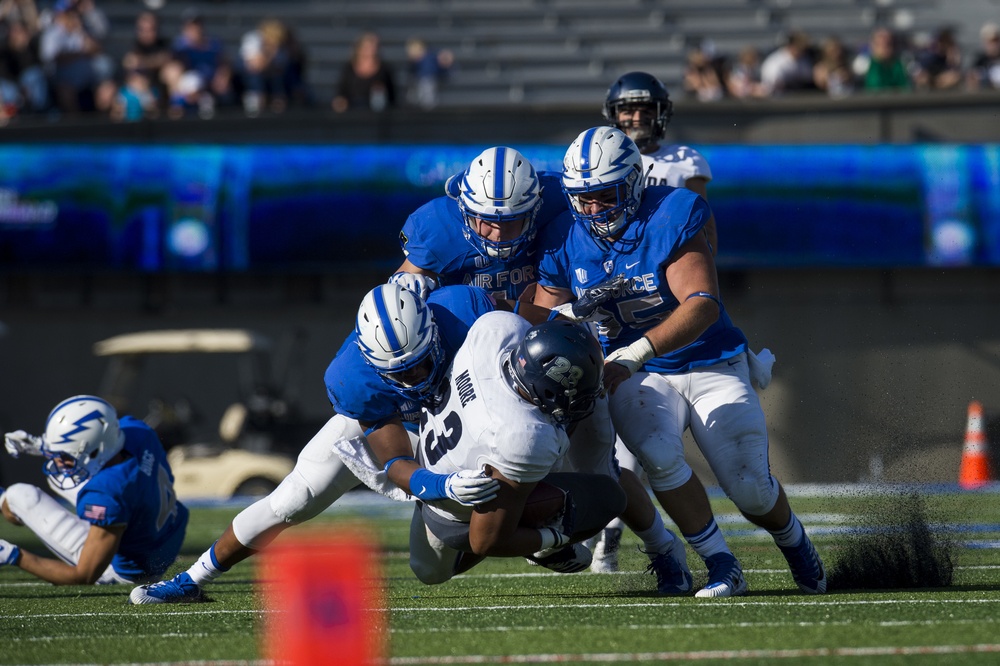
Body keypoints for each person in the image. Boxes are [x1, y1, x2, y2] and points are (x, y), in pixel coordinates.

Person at [128, 283, 575, 604]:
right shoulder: (353, 380)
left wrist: (566, 327)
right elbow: (396, 460)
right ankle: (193, 578)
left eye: (419, 365)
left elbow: (521, 324)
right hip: (412, 432)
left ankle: (531, 528)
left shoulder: (461, 309)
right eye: (398, 374)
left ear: (434, 333)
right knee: (293, 497)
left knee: (432, 568)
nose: (412, 379)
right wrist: (442, 487)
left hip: (463, 412)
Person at [534, 126, 827, 597]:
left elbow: (702, 303)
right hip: (639, 375)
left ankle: (793, 541)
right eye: (583, 198)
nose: (593, 210)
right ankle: (721, 563)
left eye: (604, 196)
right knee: (657, 455)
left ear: (632, 183)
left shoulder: (672, 211)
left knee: (750, 487)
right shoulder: (564, 237)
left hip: (708, 360)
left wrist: (635, 352)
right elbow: (544, 312)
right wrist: (557, 320)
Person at [393, 144, 694, 593]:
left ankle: (663, 549)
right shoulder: (437, 230)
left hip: (545, 349)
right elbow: (397, 316)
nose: (498, 235)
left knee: (601, 469)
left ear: (537, 206)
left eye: (513, 220)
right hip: (464, 366)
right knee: (433, 557)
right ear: (463, 209)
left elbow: (591, 243)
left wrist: (565, 315)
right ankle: (540, 538)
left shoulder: (562, 201)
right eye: (486, 220)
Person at [409, 314, 627, 583]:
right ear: (546, 390)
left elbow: (523, 311)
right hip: (458, 518)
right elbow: (484, 541)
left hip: (433, 467)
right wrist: (551, 539)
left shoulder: (498, 328)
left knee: (428, 572)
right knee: (609, 497)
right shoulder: (523, 435)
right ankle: (547, 547)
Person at [0, 395, 188, 585]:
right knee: (59, 476)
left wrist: (14, 556)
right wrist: (44, 446)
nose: (58, 461)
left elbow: (84, 575)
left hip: (129, 572)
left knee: (19, 496)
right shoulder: (138, 430)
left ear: (97, 450)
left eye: (64, 456)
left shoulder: (107, 492)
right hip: (167, 538)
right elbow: (100, 436)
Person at [331, 30, 395, 113]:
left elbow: (392, 98)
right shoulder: (348, 69)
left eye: (375, 47)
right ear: (359, 48)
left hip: (377, 117)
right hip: (352, 116)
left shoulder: (384, 70)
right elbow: (340, 95)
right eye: (368, 47)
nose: (372, 51)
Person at [760, 30, 816, 96]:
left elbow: (808, 79)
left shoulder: (804, 59)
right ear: (791, 45)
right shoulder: (775, 63)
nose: (803, 49)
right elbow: (773, 85)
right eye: (799, 44)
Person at [856, 27, 911, 92]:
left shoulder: (903, 63)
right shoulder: (863, 64)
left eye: (888, 44)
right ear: (873, 45)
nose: (884, 48)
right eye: (880, 44)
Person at [405, 37, 452, 110]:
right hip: (418, 83)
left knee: (427, 89)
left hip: (428, 82)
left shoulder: (430, 58)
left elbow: (440, 67)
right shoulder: (417, 62)